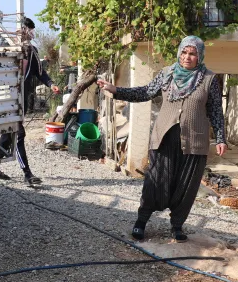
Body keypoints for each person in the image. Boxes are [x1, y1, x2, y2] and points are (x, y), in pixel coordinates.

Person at [97, 36, 227, 242]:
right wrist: (116, 90)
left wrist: (221, 138)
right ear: (179, 53)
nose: (187, 57)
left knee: (186, 186)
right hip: (164, 138)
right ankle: (141, 221)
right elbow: (145, 92)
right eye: (184, 52)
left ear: (200, 56)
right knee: (155, 181)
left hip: (194, 142)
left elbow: (216, 111)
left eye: (192, 54)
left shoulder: (209, 79)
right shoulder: (167, 74)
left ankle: (177, 226)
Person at [0, 17, 61, 186]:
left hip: (22, 101)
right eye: (27, 29)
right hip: (6, 100)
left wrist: (51, 84)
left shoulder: (32, 51)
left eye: (30, 30)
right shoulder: (6, 50)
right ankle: (27, 174)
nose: (29, 33)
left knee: (8, 134)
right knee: (19, 134)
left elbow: (40, 73)